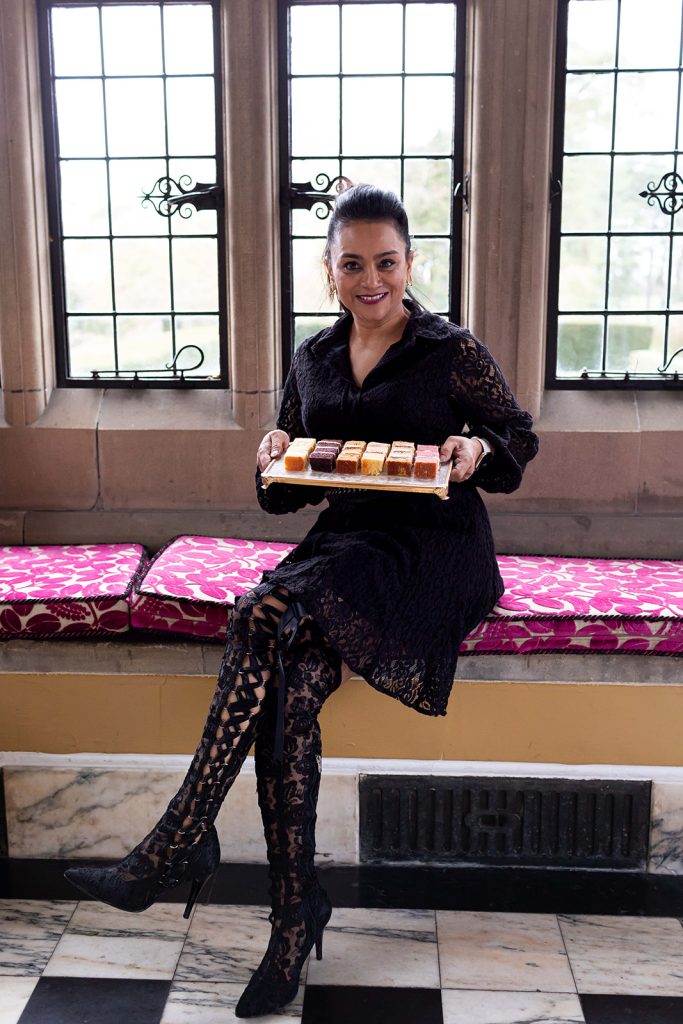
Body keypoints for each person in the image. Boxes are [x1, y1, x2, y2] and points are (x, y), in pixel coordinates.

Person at [64, 182, 539, 1017]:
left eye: (386, 263)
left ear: (409, 263)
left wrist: (472, 446)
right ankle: (292, 920)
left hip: (432, 550)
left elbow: (518, 443)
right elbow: (285, 497)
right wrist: (273, 449)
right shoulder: (313, 358)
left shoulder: (447, 348)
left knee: (259, 612)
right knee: (287, 692)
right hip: (345, 545)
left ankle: (178, 839)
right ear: (328, 270)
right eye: (351, 264)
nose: (371, 279)